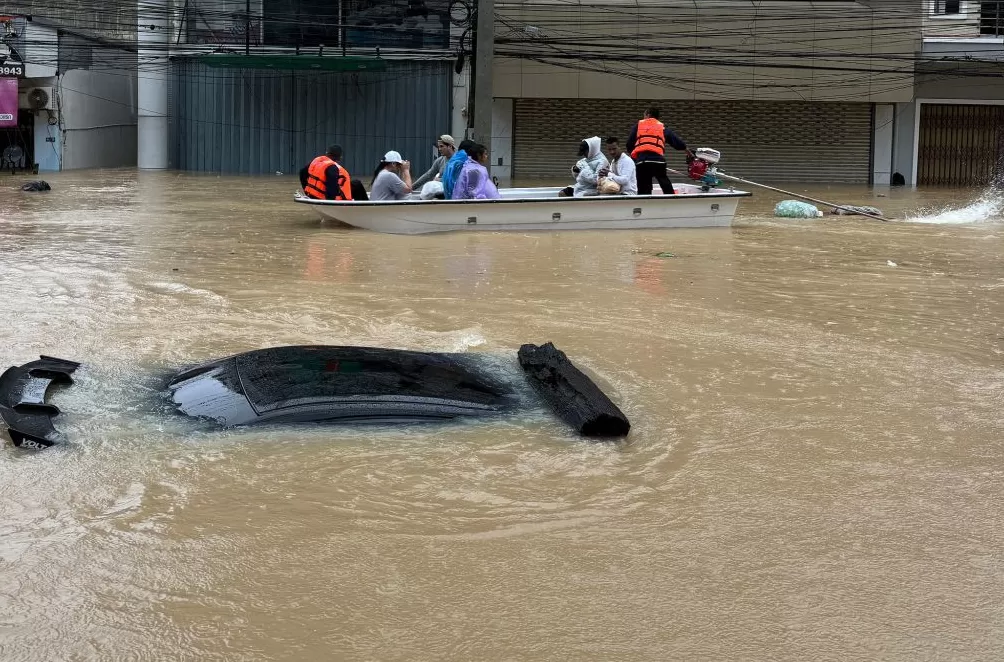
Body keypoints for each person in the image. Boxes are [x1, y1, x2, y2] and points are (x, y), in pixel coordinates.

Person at [626, 106, 692, 195]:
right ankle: (671, 198)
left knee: (644, 187)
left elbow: (629, 144)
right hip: (658, 161)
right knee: (664, 181)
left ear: (648, 115)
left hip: (642, 161)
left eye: (644, 115)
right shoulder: (662, 127)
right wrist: (686, 150)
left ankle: (644, 201)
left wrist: (635, 156)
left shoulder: (638, 126)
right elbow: (676, 141)